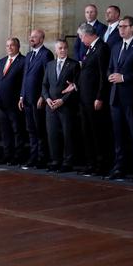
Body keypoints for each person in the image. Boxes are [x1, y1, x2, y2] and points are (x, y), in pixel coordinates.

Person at [107, 16, 133, 180]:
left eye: (124, 26)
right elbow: (109, 68)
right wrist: (111, 76)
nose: (121, 29)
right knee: (118, 135)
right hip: (115, 98)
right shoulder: (115, 47)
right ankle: (119, 167)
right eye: (119, 26)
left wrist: (124, 78)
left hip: (131, 97)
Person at [75, 24, 110, 175]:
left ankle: (100, 165)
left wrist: (100, 97)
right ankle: (91, 163)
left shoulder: (102, 48)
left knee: (97, 133)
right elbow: (86, 72)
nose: (81, 40)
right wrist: (75, 84)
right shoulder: (90, 49)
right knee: (86, 131)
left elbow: (103, 75)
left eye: (82, 37)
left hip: (94, 98)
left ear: (89, 34)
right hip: (84, 98)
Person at [42, 38, 79, 173]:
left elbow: (75, 86)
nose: (63, 50)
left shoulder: (74, 65)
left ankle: (67, 162)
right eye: (60, 48)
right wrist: (47, 99)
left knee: (67, 134)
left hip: (66, 106)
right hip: (50, 106)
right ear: (55, 50)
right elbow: (44, 85)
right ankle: (55, 160)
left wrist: (63, 100)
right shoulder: (50, 65)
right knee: (52, 134)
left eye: (65, 48)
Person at [0, 38, 27, 167]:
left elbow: (24, 82)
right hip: (1, 102)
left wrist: (22, 97)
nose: (9, 48)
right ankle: (7, 155)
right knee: (5, 131)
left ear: (18, 46)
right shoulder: (1, 61)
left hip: (15, 103)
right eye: (7, 45)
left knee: (17, 130)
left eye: (12, 45)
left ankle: (18, 156)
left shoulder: (23, 61)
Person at [20, 30, 52, 168]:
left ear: (42, 39)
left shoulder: (46, 54)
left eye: (34, 37)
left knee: (40, 130)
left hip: (38, 99)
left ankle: (42, 158)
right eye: (31, 36)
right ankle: (33, 157)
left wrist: (43, 96)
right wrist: (21, 95)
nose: (31, 38)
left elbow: (48, 77)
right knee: (30, 129)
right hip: (26, 98)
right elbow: (25, 77)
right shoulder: (28, 55)